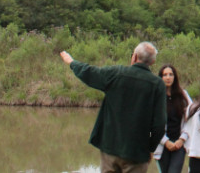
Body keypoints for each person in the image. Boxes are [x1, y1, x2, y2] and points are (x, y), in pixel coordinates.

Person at [60, 42, 166, 173]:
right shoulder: (157, 85)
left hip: (110, 148)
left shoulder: (116, 74)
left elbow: (90, 73)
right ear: (153, 61)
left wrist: (71, 62)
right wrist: (150, 148)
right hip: (137, 153)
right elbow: (160, 124)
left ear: (134, 57)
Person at [155, 64, 192, 173]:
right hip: (162, 145)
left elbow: (191, 119)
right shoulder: (156, 96)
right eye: (165, 75)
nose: (168, 77)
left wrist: (182, 139)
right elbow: (151, 124)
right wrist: (166, 142)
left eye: (171, 74)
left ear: (175, 77)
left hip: (179, 144)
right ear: (160, 78)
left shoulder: (183, 95)